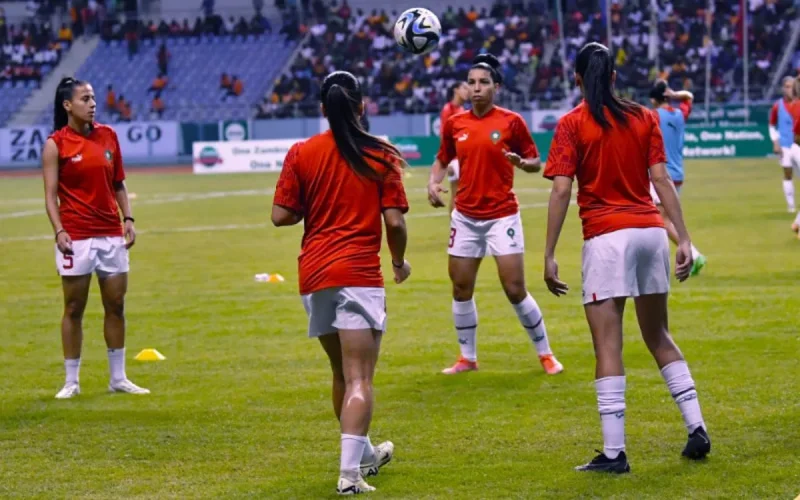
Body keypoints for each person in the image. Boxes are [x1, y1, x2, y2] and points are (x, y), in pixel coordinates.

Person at [543, 43, 710, 473]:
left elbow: (561, 190)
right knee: (659, 336)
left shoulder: (571, 124)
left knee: (608, 345)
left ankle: (614, 454)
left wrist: (548, 254)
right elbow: (661, 180)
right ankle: (697, 427)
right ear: (614, 78)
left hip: (606, 239)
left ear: (577, 80)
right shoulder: (644, 117)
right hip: (651, 232)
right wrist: (684, 238)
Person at [271, 71, 411, 495]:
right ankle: (349, 476)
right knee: (360, 379)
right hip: (358, 275)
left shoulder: (302, 152)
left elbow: (281, 215)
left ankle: (364, 455)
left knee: (340, 373)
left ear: (321, 109)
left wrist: (312, 204)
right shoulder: (381, 153)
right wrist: (399, 261)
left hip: (314, 275)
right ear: (362, 105)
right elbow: (395, 220)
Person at [427, 54, 563, 376]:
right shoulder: (454, 123)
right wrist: (432, 183)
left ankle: (546, 355)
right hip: (465, 218)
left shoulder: (511, 121)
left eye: (483, 83)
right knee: (461, 289)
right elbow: (442, 159)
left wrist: (520, 163)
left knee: (515, 288)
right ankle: (467, 358)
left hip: (502, 216)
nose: (476, 88)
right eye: (471, 82)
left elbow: (535, 161)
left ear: (496, 87)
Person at [42, 77, 149, 399]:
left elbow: (118, 183)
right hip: (76, 237)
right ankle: (71, 381)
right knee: (74, 307)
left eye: (93, 98)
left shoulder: (108, 136)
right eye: (85, 98)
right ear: (67, 105)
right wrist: (59, 230)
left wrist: (127, 218)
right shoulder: (55, 144)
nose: (92, 104)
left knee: (115, 305)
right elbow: (49, 196)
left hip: (111, 236)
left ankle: (118, 378)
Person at [648, 80, 706, 276]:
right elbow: (689, 97)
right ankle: (659, 261)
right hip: (678, 172)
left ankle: (694, 254)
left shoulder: (653, 116)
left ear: (653, 100)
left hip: (661, 173)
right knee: (661, 219)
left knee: (662, 221)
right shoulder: (681, 114)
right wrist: (674, 95)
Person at [768, 76, 800, 213]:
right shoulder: (778, 105)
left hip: (798, 144)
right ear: (782, 88)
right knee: (787, 173)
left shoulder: (798, 103)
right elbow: (771, 125)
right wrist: (775, 142)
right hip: (785, 144)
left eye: (791, 86)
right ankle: (791, 206)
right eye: (786, 86)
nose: (789, 89)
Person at [440, 81, 470, 213]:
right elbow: (444, 136)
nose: (467, 91)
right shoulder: (448, 110)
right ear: (456, 90)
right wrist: (449, 161)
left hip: (463, 157)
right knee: (456, 194)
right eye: (464, 88)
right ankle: (456, 228)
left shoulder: (462, 110)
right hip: (455, 159)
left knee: (461, 195)